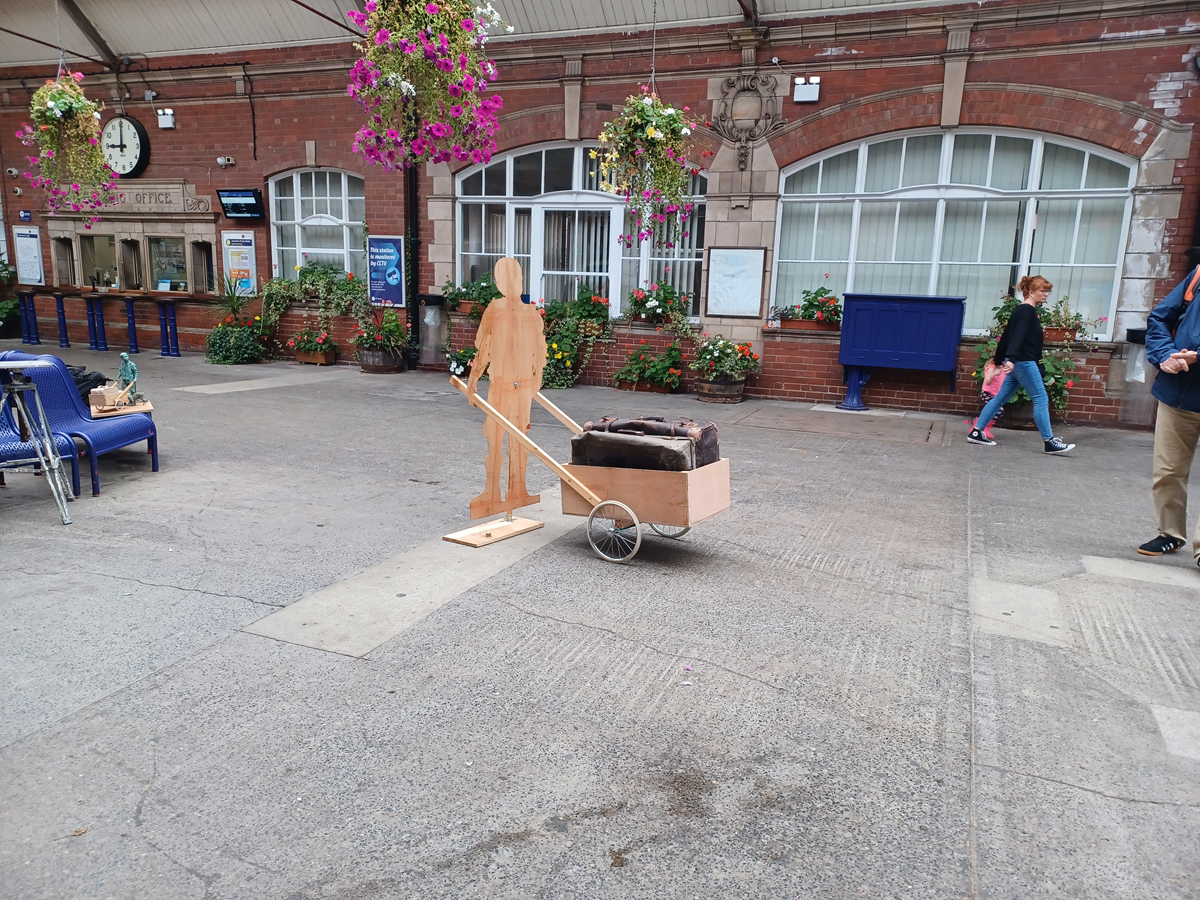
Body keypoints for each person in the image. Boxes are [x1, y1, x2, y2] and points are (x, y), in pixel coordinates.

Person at [466, 257, 546, 517]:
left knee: (507, 438)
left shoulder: (504, 310)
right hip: (516, 384)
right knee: (508, 439)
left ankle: (512, 490)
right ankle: (500, 490)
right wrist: (535, 382)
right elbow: (539, 354)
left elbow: (485, 347)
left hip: (507, 385)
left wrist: (473, 378)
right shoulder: (528, 312)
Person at [967, 275, 1075, 454]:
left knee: (1000, 398)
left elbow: (1007, 337)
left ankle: (977, 432)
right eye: (1043, 290)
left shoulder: (1020, 310)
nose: (1046, 294)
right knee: (1040, 399)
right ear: (1031, 292)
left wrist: (999, 362)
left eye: (1048, 291)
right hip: (1024, 362)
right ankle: (1049, 442)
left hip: (1019, 362)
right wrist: (1011, 358)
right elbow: (1016, 337)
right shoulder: (1027, 311)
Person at [1137, 265, 1200, 558]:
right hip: (1178, 394)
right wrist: (1165, 356)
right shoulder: (1198, 274)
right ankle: (1170, 535)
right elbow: (1160, 318)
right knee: (1168, 472)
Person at [978, 361, 1006, 441]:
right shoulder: (991, 368)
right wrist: (993, 374)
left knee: (994, 411)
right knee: (999, 410)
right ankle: (984, 426)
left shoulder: (1004, 369)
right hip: (987, 394)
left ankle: (982, 424)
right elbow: (987, 381)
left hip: (995, 396)